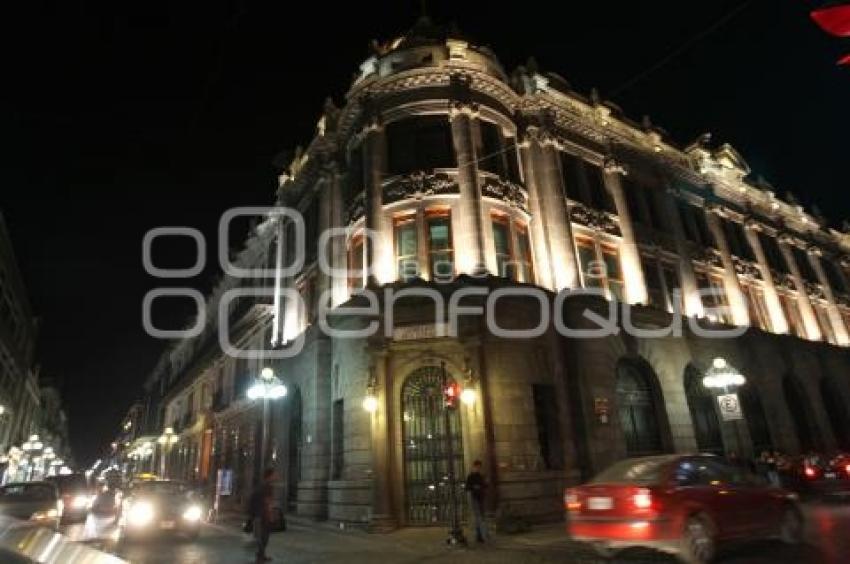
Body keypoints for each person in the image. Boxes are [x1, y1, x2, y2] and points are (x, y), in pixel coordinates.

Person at [248, 468, 276, 563]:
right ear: (270, 476)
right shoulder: (267, 486)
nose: (275, 477)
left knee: (261, 536)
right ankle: (259, 557)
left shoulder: (261, 485)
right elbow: (267, 501)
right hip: (262, 515)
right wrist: (271, 515)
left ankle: (261, 556)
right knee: (264, 537)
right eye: (274, 475)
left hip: (257, 514)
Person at [464, 460, 488, 543]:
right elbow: (467, 487)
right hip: (475, 498)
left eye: (479, 467)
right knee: (479, 517)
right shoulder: (470, 476)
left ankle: (480, 535)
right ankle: (481, 535)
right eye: (477, 467)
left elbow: (485, 485)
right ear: (474, 467)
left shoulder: (481, 476)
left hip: (481, 498)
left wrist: (483, 485)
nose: (478, 469)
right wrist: (474, 487)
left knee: (481, 517)